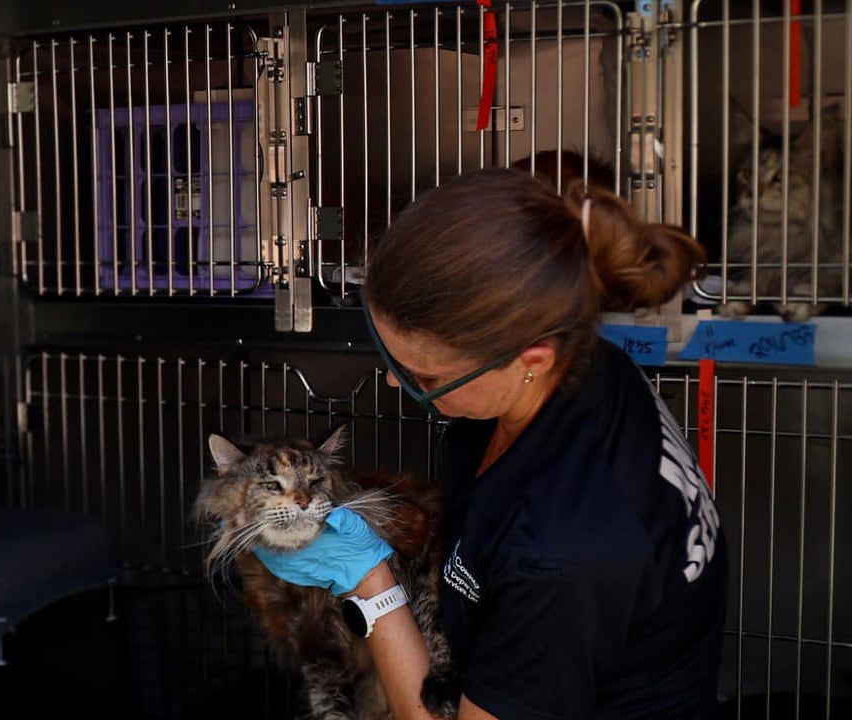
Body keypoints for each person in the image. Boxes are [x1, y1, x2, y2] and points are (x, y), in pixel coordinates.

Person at [253, 168, 728, 719]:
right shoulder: (578, 368)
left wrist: (370, 582)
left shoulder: (565, 553)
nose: (394, 384)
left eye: (424, 378)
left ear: (532, 360)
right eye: (390, 360)